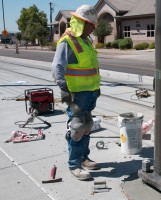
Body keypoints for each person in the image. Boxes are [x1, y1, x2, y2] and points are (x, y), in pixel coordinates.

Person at [52, 5, 101, 181]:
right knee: (77, 128)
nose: (93, 27)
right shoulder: (68, 41)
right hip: (76, 94)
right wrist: (64, 90)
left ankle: (84, 158)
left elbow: (91, 67)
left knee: (87, 126)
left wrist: (96, 88)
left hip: (89, 93)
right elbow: (57, 67)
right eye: (90, 24)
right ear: (80, 22)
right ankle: (74, 165)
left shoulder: (86, 40)